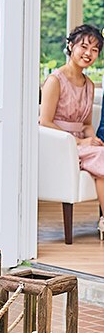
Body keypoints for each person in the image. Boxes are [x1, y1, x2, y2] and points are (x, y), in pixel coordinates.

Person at [39, 24, 104, 239]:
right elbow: (44, 122)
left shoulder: (89, 84)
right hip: (60, 146)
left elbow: (85, 124)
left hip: (80, 146)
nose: (88, 53)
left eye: (94, 50)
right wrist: (77, 143)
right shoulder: (55, 81)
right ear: (70, 46)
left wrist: (91, 138)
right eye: (83, 46)